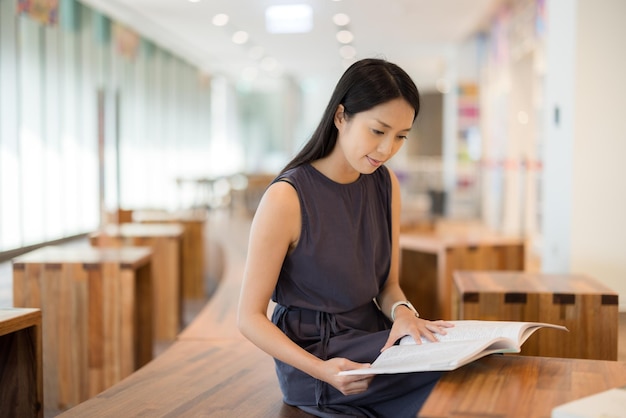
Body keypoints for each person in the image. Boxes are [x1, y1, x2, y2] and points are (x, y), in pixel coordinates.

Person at [237, 58, 454, 418]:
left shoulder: (386, 185)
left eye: (400, 136)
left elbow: (388, 286)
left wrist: (404, 314)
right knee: (445, 385)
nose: (387, 150)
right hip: (319, 359)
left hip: (373, 339)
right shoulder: (286, 198)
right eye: (378, 131)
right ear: (341, 116)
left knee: (472, 370)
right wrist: (321, 369)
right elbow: (249, 317)